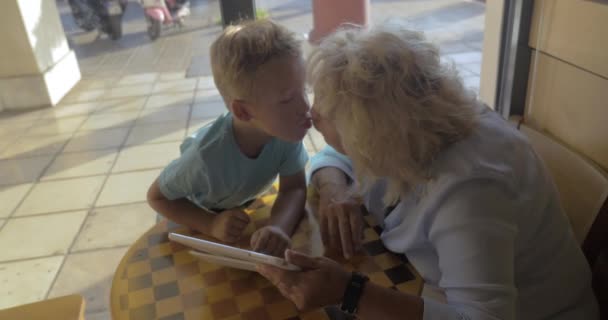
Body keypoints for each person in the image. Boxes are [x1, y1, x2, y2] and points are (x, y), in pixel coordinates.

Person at [257, 23, 599, 319]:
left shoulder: (469, 191)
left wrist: (351, 293)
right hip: (427, 289)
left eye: (327, 111)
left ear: (370, 135)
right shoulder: (422, 121)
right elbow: (333, 155)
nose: (313, 115)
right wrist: (335, 191)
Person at [147, 19, 312, 257]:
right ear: (243, 112)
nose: (305, 107)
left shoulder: (285, 133)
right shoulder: (205, 157)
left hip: (240, 208)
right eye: (287, 99)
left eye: (304, 90)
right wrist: (210, 224)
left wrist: (278, 227)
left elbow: (294, 188)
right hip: (191, 221)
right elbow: (157, 197)